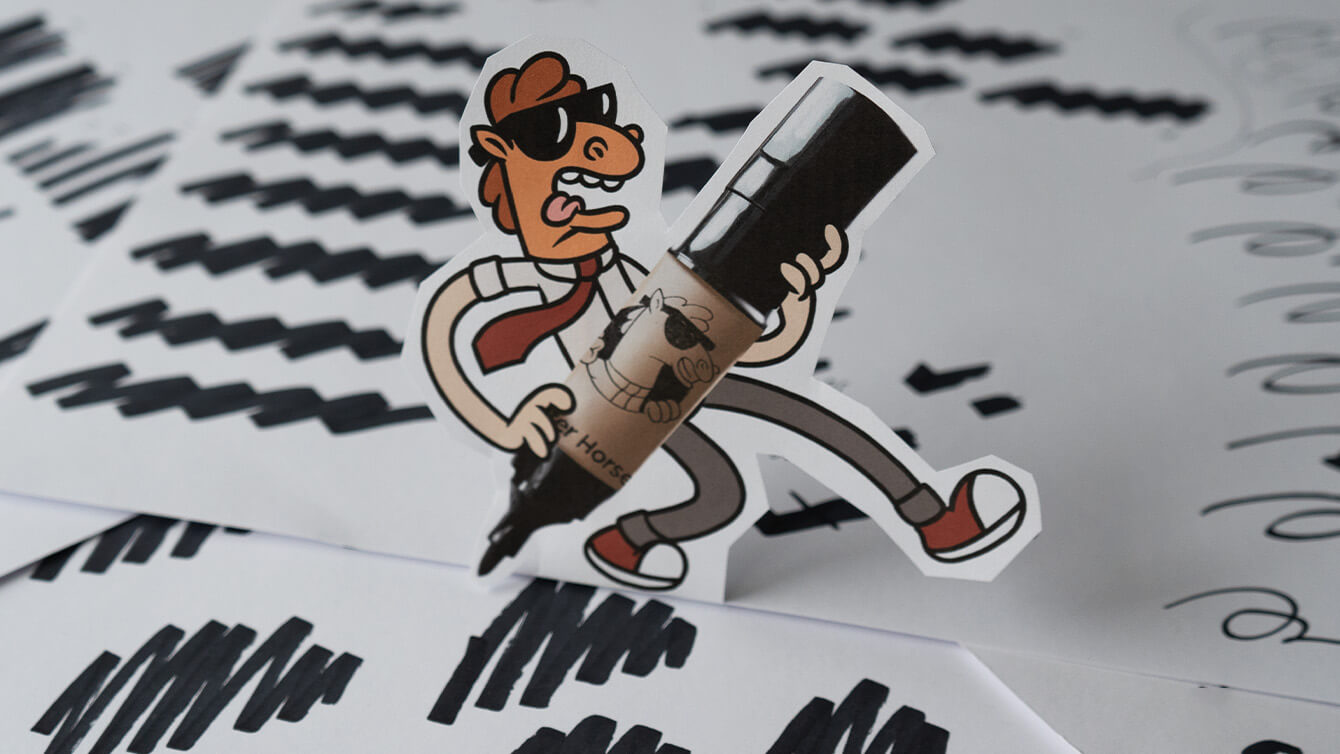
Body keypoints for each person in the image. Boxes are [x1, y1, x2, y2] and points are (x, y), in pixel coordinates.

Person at [420, 51, 1026, 590]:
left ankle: (626, 542)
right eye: (553, 131)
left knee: (725, 491)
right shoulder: (522, 273)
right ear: (501, 150)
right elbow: (439, 332)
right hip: (612, 410)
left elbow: (734, 343)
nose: (608, 143)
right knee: (780, 434)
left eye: (597, 118)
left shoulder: (642, 266)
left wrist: (792, 301)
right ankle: (932, 517)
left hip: (658, 386)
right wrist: (504, 427)